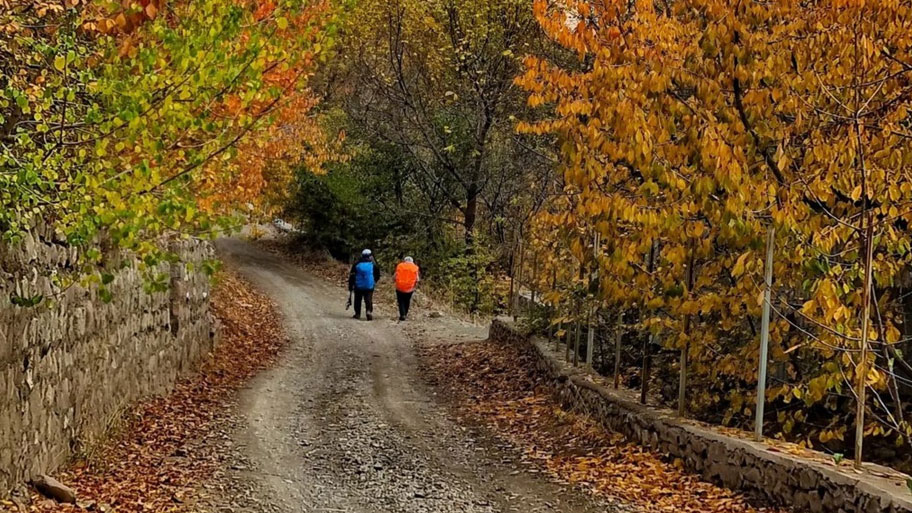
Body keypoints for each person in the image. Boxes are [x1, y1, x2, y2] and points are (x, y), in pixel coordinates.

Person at [349, 249, 380, 320]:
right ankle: (368, 311)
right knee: (368, 299)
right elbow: (377, 275)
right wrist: (374, 281)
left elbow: (352, 275)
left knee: (357, 299)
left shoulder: (356, 264)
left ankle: (357, 314)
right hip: (369, 285)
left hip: (358, 285)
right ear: (370, 256)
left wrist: (351, 286)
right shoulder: (373, 265)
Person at [394, 256, 420, 321]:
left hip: (399, 287)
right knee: (407, 301)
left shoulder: (400, 266)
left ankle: (402, 314)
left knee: (401, 301)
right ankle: (405, 313)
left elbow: (395, 277)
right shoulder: (415, 268)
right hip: (410, 288)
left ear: (404, 261)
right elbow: (417, 279)